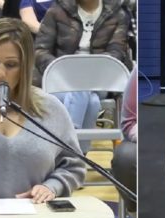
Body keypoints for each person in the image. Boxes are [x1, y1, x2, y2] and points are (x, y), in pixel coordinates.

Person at [0, 17, 86, 203]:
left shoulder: (50, 109)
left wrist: (52, 186)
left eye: (10, 65)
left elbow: (74, 165)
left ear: (25, 67)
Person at [34, 0, 133, 153]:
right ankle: (80, 155)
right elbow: (40, 51)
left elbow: (116, 53)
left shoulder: (117, 14)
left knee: (82, 86)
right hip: (61, 79)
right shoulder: (57, 11)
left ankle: (64, 148)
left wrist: (87, 71)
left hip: (100, 80)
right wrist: (61, 70)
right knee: (92, 102)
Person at [112, 66, 136, 218]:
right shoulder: (137, 72)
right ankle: (135, 213)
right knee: (125, 156)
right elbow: (128, 123)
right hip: (137, 136)